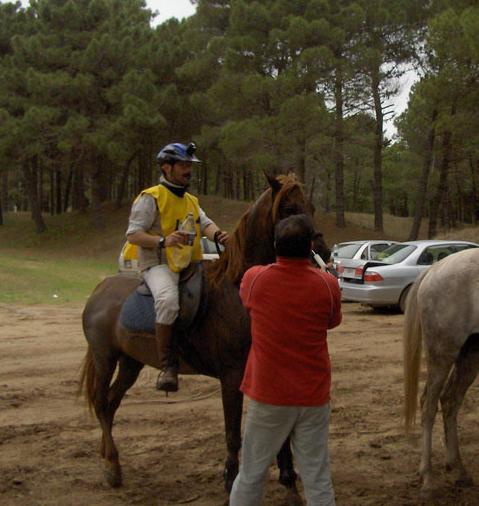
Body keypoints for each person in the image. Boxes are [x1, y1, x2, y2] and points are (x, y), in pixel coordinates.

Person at [229, 214, 342, 506]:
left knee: (251, 474)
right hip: (313, 396)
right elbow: (332, 322)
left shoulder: (254, 278)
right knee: (318, 478)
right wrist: (323, 273)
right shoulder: (329, 284)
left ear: (275, 245)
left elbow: (248, 302)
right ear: (311, 248)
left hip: (269, 395)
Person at [124, 142, 228, 393]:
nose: (188, 170)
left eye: (189, 166)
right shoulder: (151, 197)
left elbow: (206, 224)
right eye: (183, 165)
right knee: (168, 300)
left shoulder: (191, 199)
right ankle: (168, 366)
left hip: (191, 264)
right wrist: (163, 241)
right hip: (159, 265)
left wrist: (221, 236)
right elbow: (133, 235)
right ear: (166, 168)